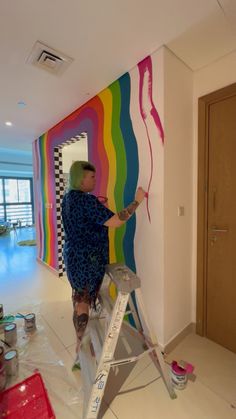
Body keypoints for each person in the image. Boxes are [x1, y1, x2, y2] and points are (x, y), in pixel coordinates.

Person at [61, 160, 146, 367]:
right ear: (81, 179)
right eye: (92, 177)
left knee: (79, 298)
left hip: (72, 256)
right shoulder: (87, 200)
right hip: (88, 260)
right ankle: (80, 349)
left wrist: (99, 209)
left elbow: (84, 222)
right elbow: (117, 220)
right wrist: (137, 201)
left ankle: (80, 344)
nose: (95, 180)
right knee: (83, 302)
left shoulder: (68, 198)